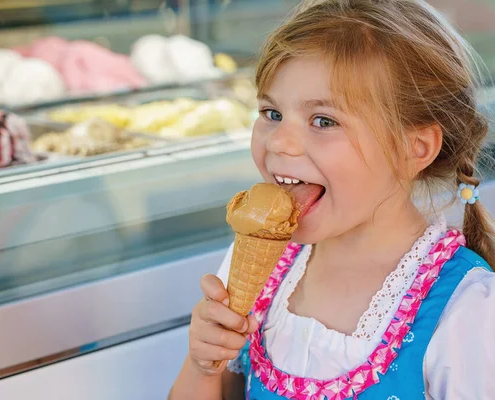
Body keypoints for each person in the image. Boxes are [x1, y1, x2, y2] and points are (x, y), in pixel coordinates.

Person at [169, 0, 495, 399]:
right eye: (271, 112)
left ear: (415, 149)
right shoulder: (259, 270)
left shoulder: (466, 312)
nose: (279, 141)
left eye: (324, 121)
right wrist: (204, 365)